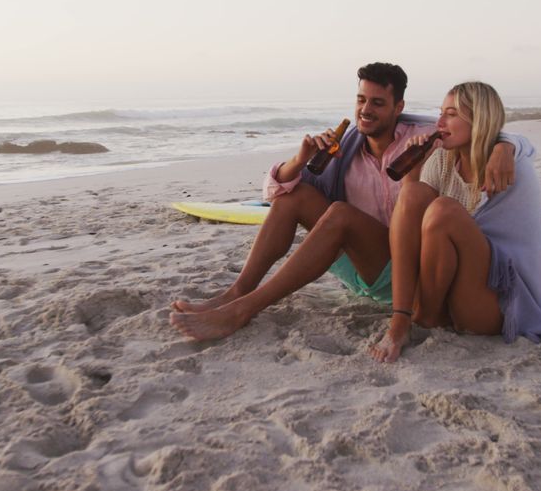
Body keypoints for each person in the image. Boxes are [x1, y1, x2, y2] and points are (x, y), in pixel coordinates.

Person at [170, 64, 517, 341]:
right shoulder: (343, 148)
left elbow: (486, 128)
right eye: (361, 100)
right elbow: (273, 195)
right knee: (296, 196)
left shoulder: (423, 139)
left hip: (412, 267)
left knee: (341, 214)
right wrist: (300, 159)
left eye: (377, 103)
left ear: (399, 107)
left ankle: (244, 311)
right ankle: (237, 293)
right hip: (365, 264)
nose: (365, 110)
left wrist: (504, 145)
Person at [370, 81, 541, 363]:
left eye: (452, 114)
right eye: (441, 112)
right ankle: (402, 318)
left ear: (479, 119)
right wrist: (413, 167)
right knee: (413, 192)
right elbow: (413, 215)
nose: (440, 122)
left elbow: (522, 146)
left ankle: (425, 318)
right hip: (455, 285)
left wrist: (508, 144)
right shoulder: (442, 160)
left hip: (501, 299)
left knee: (444, 210)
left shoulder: (507, 164)